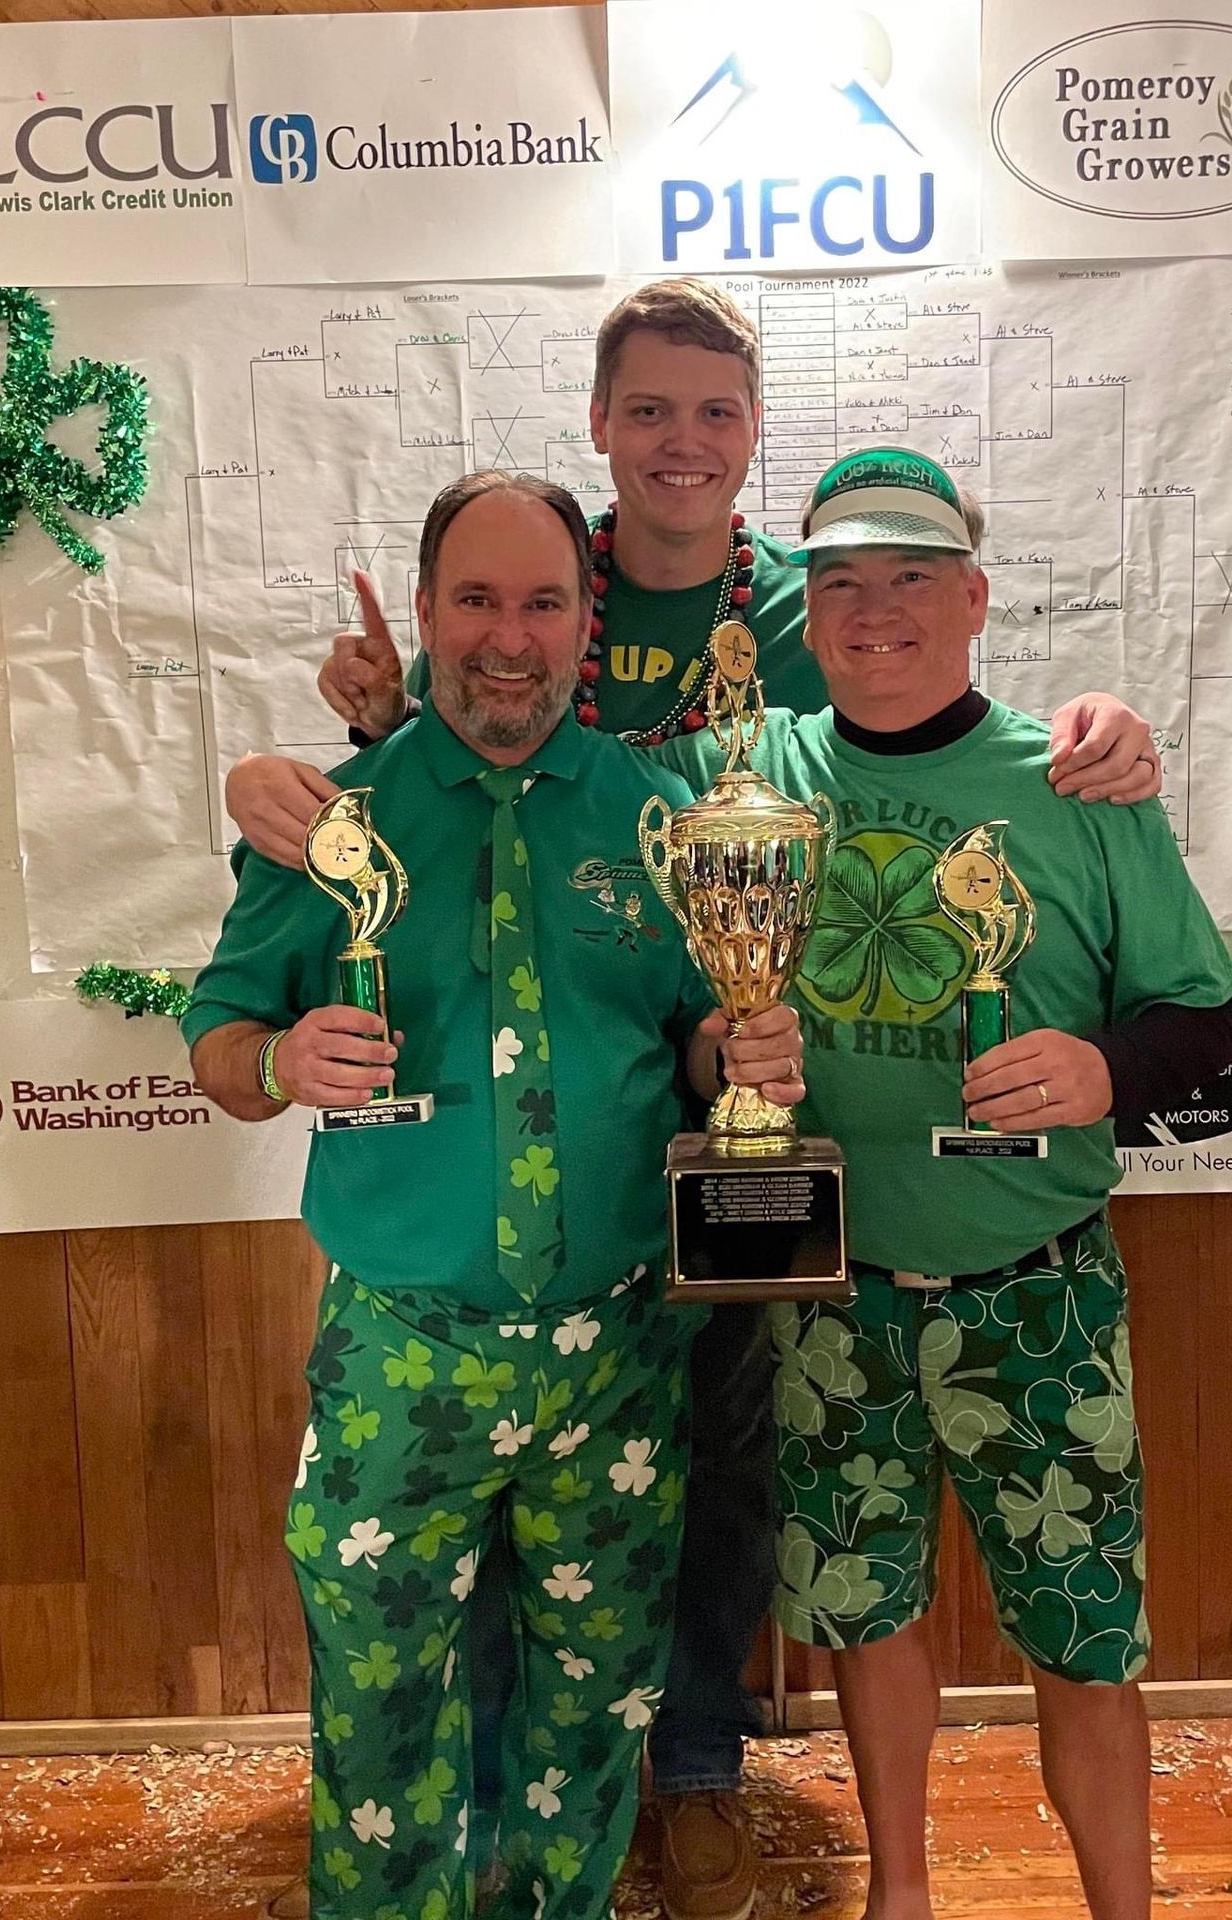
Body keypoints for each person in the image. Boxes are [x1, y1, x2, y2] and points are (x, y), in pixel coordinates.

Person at [227, 280, 1168, 1920]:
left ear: (749, 441)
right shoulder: (533, 593)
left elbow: (935, 684)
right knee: (491, 1575)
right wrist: (349, 744)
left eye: (716, 416)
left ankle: (697, 1775)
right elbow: (455, 750)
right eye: (649, 410)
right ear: (601, 426)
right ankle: (472, 1843)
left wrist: (1105, 729)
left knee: (715, 1483)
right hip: (518, 1212)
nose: (681, 442)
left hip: (750, 1156)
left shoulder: (817, 600)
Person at [184, 471, 805, 1920]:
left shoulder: (659, 820)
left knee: (590, 1723)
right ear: (422, 617)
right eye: (475, 600)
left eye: (541, 602)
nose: (507, 636)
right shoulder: (331, 825)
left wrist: (740, 1044)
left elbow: (689, 1029)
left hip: (617, 1357)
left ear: (587, 626)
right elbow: (216, 1045)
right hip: (404, 1356)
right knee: (384, 1720)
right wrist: (276, 1056)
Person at [645, 447, 1232, 1920]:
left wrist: (1108, 1071)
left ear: (975, 598)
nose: (875, 611)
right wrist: (720, 1038)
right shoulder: (746, 772)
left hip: (1036, 1287)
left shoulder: (1077, 778)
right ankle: (902, 1895)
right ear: (806, 611)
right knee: (863, 1618)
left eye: (913, 576)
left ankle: (1123, 1909)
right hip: (831, 1296)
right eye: (841, 582)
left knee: (1086, 1640)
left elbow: (1203, 1021)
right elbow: (555, 794)